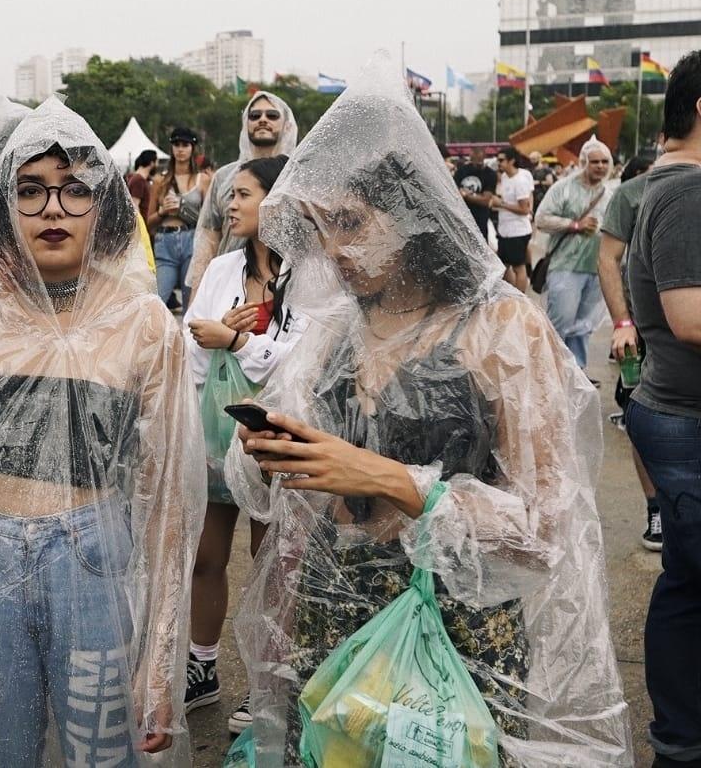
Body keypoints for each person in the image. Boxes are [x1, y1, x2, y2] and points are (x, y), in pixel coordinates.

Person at [228, 55, 630, 766]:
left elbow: (546, 523)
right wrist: (269, 454)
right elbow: (284, 505)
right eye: (322, 227)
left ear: (413, 213)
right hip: (331, 616)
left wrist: (393, 480)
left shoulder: (500, 329)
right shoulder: (332, 333)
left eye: (351, 223)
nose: (335, 250)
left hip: (455, 628)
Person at [0, 96, 205, 766]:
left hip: (93, 566)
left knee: (102, 756)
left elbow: (168, 502)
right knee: (2, 754)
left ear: (104, 206)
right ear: (3, 207)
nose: (53, 209)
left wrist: (160, 656)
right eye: (30, 190)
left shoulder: (146, 326)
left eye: (74, 189)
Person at [182, 154, 305, 734]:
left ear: (276, 202)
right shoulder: (222, 269)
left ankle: (267, 681)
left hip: (279, 433)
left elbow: (308, 358)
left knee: (270, 565)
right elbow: (191, 341)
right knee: (205, 556)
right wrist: (216, 339)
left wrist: (237, 341)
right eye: (229, 194)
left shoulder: (309, 274)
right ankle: (201, 666)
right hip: (215, 430)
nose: (230, 204)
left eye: (243, 194)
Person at [625, 49, 701, 768]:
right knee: (689, 585)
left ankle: (680, 734)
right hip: (686, 419)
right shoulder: (686, 192)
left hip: (676, 414)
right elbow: (689, 318)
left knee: (687, 581)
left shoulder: (667, 185)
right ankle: (680, 738)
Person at [597, 153, 662, 552]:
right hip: (642, 330)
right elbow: (607, 258)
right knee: (641, 417)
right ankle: (656, 507)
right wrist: (622, 322)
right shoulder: (631, 195)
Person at [185, 90, 298, 297]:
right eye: (255, 115)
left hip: (286, 290)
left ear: (287, 125)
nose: (262, 120)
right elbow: (207, 242)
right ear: (246, 124)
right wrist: (197, 299)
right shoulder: (224, 177)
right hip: (228, 289)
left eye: (272, 115)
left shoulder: (298, 178)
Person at [535, 137, 616, 371]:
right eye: (595, 162)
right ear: (583, 162)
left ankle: (577, 372)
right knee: (560, 322)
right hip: (565, 266)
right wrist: (574, 225)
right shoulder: (563, 188)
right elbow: (541, 219)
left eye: (604, 161)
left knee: (583, 326)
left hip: (595, 268)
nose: (600, 166)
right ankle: (552, 371)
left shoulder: (609, 194)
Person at [150, 126, 209, 307]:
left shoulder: (202, 179)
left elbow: (209, 220)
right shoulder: (160, 180)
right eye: (176, 144)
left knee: (190, 303)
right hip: (165, 241)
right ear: (171, 147)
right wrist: (162, 212)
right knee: (157, 301)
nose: (180, 149)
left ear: (192, 148)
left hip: (192, 239)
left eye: (185, 145)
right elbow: (148, 222)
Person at [492, 147, 534, 291]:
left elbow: (524, 209)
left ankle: (521, 298)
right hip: (505, 230)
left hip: (517, 231)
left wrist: (501, 204)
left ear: (511, 161)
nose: (499, 163)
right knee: (503, 266)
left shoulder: (520, 181)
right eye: (498, 160)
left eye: (501, 160)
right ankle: (510, 293)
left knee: (518, 268)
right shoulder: (504, 177)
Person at [455, 147, 498, 242]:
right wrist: (476, 197)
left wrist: (466, 195)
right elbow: (454, 193)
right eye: (475, 160)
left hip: (480, 219)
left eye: (480, 161)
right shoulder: (461, 172)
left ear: (484, 158)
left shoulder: (490, 174)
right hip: (462, 218)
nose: (478, 163)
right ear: (471, 158)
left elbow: (485, 201)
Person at [126, 148, 157, 223]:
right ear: (152, 163)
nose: (157, 165)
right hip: (139, 226)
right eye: (157, 162)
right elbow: (135, 207)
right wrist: (141, 227)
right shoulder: (139, 180)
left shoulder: (137, 178)